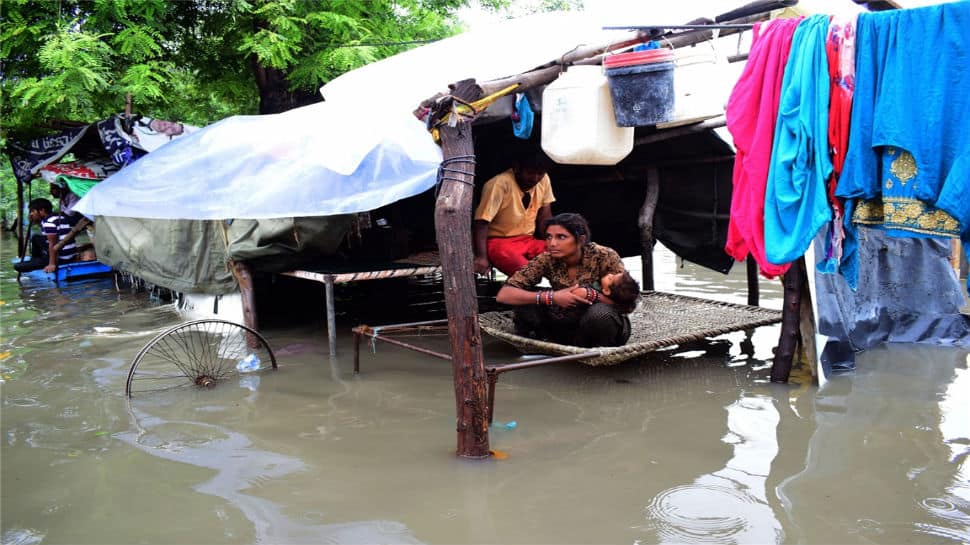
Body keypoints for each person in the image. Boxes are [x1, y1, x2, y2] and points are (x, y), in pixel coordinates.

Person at [496, 213, 639, 347]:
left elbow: (629, 303)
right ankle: (545, 342)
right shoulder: (546, 259)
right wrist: (552, 297)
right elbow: (505, 295)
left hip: (601, 326)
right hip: (566, 322)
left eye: (561, 237)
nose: (552, 243)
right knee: (525, 297)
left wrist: (592, 295)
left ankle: (597, 352)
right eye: (548, 237)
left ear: (581, 240)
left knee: (599, 314)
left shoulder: (604, 256)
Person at [473, 151, 555, 276]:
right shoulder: (498, 184)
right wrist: (481, 257)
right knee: (527, 274)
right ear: (516, 168)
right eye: (530, 173)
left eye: (540, 174)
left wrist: (551, 242)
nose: (535, 178)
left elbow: (545, 215)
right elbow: (482, 222)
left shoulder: (544, 179)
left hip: (528, 240)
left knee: (564, 254)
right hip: (499, 243)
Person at [12, 198, 78, 273]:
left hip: (61, 257)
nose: (31, 214)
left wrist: (51, 264)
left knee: (18, 266)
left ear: (42, 211)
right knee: (35, 238)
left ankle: (42, 261)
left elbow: (52, 244)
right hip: (69, 254)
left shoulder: (48, 222)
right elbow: (48, 234)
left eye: (33, 211)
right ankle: (36, 259)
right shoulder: (59, 216)